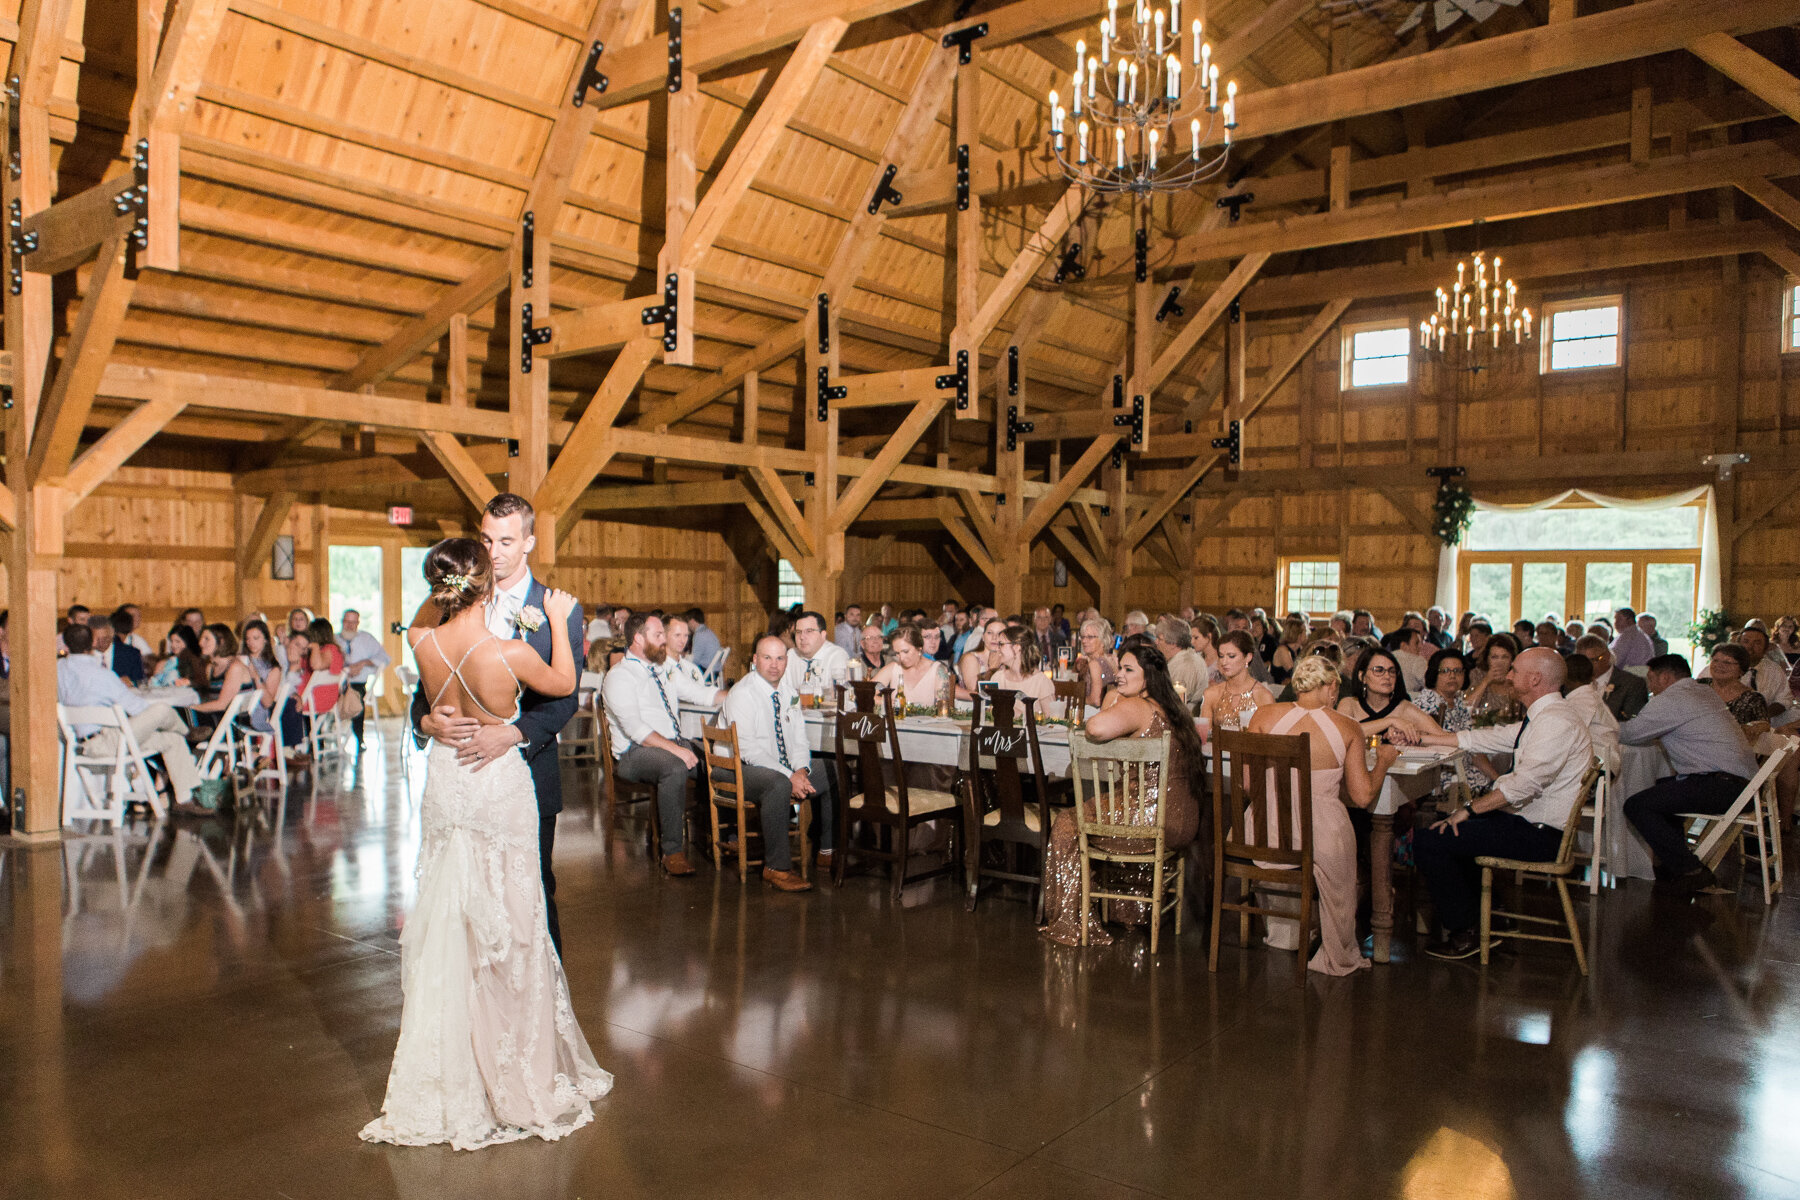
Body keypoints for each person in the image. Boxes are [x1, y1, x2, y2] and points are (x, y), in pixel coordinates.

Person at [362, 538, 609, 1149]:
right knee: (514, 918)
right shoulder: (510, 650)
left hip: (448, 782)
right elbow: (564, 683)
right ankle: (515, 1069)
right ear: (485, 584)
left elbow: (425, 617)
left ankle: (457, 1063)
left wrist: (428, 719)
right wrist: (555, 621)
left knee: (453, 919)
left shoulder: (422, 641)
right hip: (495, 785)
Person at [414, 493, 584, 953]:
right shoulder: (450, 602)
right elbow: (422, 691)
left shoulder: (555, 607)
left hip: (526, 773)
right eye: (486, 539)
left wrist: (513, 732)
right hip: (461, 778)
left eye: (507, 541)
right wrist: (427, 723)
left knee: (532, 895)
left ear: (529, 542)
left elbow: (565, 700)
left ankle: (538, 1012)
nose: (494, 552)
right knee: (463, 900)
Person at [1411, 648, 1594, 959]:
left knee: (1431, 840)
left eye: (1515, 670)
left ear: (1535, 678)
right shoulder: (1545, 716)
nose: (1508, 676)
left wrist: (1466, 811)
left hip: (1541, 834)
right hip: (1530, 825)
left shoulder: (1555, 722)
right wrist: (1420, 739)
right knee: (1455, 835)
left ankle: (1466, 931)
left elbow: (1523, 786)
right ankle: (1492, 918)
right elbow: (1485, 739)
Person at [1040, 644, 1206, 947]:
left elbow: (1094, 728)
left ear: (1149, 678)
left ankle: (1071, 920)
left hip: (1149, 820)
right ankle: (1131, 909)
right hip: (1184, 821)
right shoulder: (1174, 708)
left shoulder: (1139, 706)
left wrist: (1114, 700)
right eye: (1120, 668)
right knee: (1099, 808)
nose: (1118, 675)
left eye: (1129, 670)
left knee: (1067, 822)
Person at [1247, 655, 1401, 975]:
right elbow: (1361, 796)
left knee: (1292, 828)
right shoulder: (1347, 727)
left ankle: (1286, 934)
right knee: (1346, 855)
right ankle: (1335, 945)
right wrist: (1384, 760)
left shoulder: (1262, 716)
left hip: (1265, 830)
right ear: (1331, 687)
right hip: (1320, 834)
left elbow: (1250, 784)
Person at [1619, 654, 1760, 896]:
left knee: (1636, 805)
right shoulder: (1701, 691)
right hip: (1743, 785)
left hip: (1722, 785)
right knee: (1662, 788)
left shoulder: (1674, 698)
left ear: (1665, 677)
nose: (1650, 686)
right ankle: (1672, 865)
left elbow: (1631, 734)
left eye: (1651, 680)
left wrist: (1601, 727)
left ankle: (1691, 870)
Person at [601, 612, 725, 876]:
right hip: (633, 754)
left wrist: (735, 695)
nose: (664, 642)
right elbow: (637, 730)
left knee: (718, 761)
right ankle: (673, 851)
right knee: (674, 766)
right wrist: (677, 749)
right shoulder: (620, 676)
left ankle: (721, 837)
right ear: (638, 638)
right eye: (658, 636)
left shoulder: (664, 668)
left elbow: (698, 693)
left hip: (669, 743)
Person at [720, 636, 831, 893]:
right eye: (767, 658)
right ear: (755, 660)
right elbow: (747, 751)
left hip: (776, 769)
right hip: (733, 769)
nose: (774, 665)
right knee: (778, 784)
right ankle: (777, 868)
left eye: (780, 658)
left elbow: (799, 740)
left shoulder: (789, 692)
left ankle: (827, 850)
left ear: (787, 661)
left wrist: (801, 770)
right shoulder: (743, 694)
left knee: (829, 771)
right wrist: (789, 775)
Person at [57, 623, 205, 812]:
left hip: (79, 741)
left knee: (172, 740)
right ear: (92, 643)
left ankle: (184, 799)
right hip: (110, 743)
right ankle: (187, 731)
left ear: (66, 644)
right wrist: (153, 722)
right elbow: (137, 708)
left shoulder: (58, 669)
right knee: (160, 709)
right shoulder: (102, 676)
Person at [1412, 648, 1497, 792]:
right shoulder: (1428, 703)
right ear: (1434, 674)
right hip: (1441, 777)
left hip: (1466, 770)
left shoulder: (1457, 703)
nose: (1452, 676)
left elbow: (1473, 747)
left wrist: (1497, 779)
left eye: (1458, 671)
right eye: (1445, 671)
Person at [1339, 645, 1442, 745]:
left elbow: (1447, 738)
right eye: (1379, 670)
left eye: (1391, 671)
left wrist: (1417, 738)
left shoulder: (1405, 708)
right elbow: (1342, 734)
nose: (1387, 676)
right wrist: (1390, 721)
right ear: (1362, 676)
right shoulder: (1349, 704)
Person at [1699, 624, 1793, 717]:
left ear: (1766, 649)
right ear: (1738, 644)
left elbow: (1784, 699)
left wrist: (1761, 715)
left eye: (1757, 643)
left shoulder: (1774, 670)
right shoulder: (1717, 668)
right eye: (1746, 641)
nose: (1750, 647)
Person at [1199, 631, 1276, 741]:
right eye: (1221, 656)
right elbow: (1204, 740)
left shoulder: (1263, 696)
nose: (1224, 662)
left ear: (1248, 657)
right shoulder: (1211, 694)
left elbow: (1270, 743)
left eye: (1231, 656)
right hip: (1215, 756)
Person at [1560, 652, 1621, 775]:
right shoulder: (1587, 696)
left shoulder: (1583, 700)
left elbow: (1568, 732)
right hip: (1598, 760)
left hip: (1599, 762)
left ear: (1565, 678)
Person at [337, 608, 390, 746]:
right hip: (337, 683)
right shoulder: (335, 639)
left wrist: (363, 663)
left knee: (356, 697)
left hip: (357, 683)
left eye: (353, 622)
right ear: (342, 622)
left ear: (358, 623)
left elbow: (385, 658)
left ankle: (359, 739)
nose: (349, 626)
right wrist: (345, 669)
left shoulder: (366, 638)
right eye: (347, 622)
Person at [873, 624, 953, 709]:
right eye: (897, 653)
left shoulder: (938, 670)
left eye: (906, 651)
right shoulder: (893, 669)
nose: (902, 658)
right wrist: (887, 702)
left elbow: (943, 710)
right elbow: (865, 694)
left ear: (919, 648)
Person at [1572, 634, 1649, 722]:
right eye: (1580, 661)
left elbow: (1632, 723)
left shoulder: (1632, 684)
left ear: (1606, 657)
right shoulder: (1572, 682)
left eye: (1591, 660)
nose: (1584, 665)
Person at [1704, 643, 1771, 738]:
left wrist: (1753, 728)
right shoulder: (1699, 686)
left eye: (1727, 662)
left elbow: (1764, 727)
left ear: (1741, 669)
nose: (1719, 665)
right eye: (1715, 660)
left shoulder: (1753, 699)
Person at [985, 625, 1056, 711]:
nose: (997, 649)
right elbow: (990, 714)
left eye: (1001, 644)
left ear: (1017, 647)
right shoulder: (998, 678)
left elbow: (1052, 720)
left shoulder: (1040, 681)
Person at [785, 610, 850, 699]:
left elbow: (841, 696)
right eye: (798, 632)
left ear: (823, 635)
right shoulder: (791, 655)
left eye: (809, 631)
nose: (802, 637)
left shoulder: (837, 655)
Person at [1153, 615, 1208, 713]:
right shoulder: (1182, 659)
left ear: (1173, 643)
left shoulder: (1186, 664)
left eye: (1159, 639)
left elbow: (1175, 702)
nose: (1156, 642)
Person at [1467, 632, 1522, 723]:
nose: (1499, 662)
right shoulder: (1477, 674)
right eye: (1494, 657)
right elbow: (1466, 709)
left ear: (1512, 660)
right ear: (1487, 659)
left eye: (1504, 657)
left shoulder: (1517, 677)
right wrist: (1486, 681)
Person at [1074, 616, 1120, 711]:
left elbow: (1096, 700)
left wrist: (1077, 699)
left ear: (1103, 640)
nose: (1084, 641)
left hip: (1095, 714)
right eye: (1083, 637)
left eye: (1090, 637)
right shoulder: (1111, 659)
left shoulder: (1095, 664)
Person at [959, 617, 1006, 697]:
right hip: (972, 706)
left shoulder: (1007, 660)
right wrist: (992, 669)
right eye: (990, 633)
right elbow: (977, 692)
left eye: (999, 634)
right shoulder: (971, 658)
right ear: (983, 637)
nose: (994, 638)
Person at [97, 613, 146, 683]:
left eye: (104, 636)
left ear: (112, 633)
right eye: (97, 637)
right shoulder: (84, 656)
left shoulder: (131, 654)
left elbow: (140, 683)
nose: (101, 640)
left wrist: (131, 683)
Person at [1384, 626, 1430, 696]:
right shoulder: (1417, 660)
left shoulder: (1383, 658)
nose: (1420, 647)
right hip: (1409, 701)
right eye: (1417, 643)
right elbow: (1430, 684)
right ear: (1404, 646)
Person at [664, 614, 707, 687]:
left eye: (686, 635)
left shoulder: (692, 668)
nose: (682, 640)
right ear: (664, 636)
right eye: (677, 635)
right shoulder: (659, 670)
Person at [685, 607, 722, 679]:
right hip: (715, 671)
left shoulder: (699, 634)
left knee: (683, 668)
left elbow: (695, 660)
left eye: (687, 622)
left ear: (692, 621)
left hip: (707, 673)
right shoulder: (708, 631)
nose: (688, 625)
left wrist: (683, 657)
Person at [1269, 616, 1307, 685]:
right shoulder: (1282, 650)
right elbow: (1293, 673)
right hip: (1279, 689)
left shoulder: (1299, 649)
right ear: (1298, 634)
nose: (1306, 634)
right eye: (1305, 631)